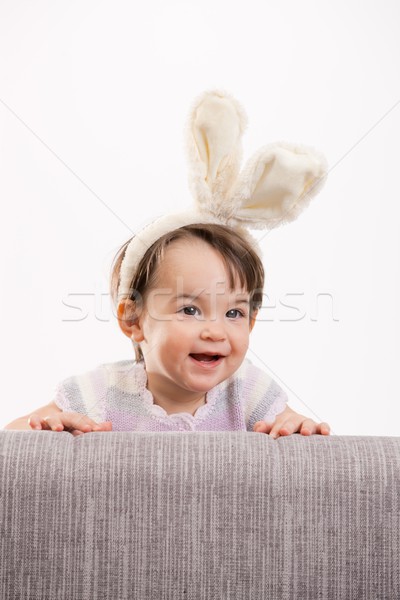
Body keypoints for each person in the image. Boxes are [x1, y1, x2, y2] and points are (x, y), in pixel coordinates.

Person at [3, 89, 331, 439]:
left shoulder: (249, 394)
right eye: (190, 310)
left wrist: (298, 430)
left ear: (250, 322)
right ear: (133, 320)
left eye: (233, 313)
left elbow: (296, 430)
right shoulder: (101, 392)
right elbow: (12, 438)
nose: (215, 332)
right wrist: (46, 429)